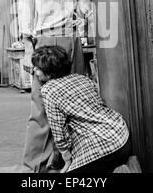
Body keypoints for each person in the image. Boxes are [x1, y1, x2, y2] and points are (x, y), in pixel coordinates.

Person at [18, 0, 92, 173]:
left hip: (72, 40)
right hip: (47, 41)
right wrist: (29, 50)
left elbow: (82, 12)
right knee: (41, 105)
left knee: (73, 101)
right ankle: (34, 167)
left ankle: (64, 161)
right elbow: (26, 11)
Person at [32, 45, 131, 173]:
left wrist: (67, 160)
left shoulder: (49, 89)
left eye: (37, 68)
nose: (34, 70)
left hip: (105, 147)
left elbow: (58, 131)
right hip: (122, 136)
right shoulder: (82, 78)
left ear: (49, 71)